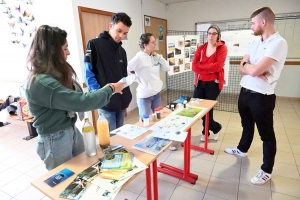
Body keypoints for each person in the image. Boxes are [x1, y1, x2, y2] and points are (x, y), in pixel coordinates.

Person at [25, 25, 125, 170]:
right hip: (54, 138)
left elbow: (77, 97)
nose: (69, 52)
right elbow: (80, 101)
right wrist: (111, 88)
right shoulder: (42, 82)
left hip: (70, 128)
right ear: (52, 50)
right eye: (65, 48)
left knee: (84, 168)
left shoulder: (56, 74)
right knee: (65, 181)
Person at [225, 7, 288, 185]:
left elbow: (252, 69)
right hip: (245, 91)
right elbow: (241, 66)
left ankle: (266, 170)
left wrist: (251, 68)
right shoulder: (255, 42)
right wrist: (253, 68)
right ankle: (242, 149)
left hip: (262, 96)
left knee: (266, 135)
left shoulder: (279, 43)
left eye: (253, 23)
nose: (251, 26)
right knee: (246, 124)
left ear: (263, 22)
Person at [84, 12, 132, 132]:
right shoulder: (94, 44)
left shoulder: (122, 51)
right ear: (111, 26)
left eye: (125, 33)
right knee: (109, 141)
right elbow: (89, 74)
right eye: (119, 30)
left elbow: (123, 76)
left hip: (121, 103)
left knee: (119, 137)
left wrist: (125, 101)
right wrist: (99, 95)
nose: (121, 35)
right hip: (106, 105)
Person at [192, 25, 228, 142]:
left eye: (214, 33)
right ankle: (216, 127)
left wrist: (201, 67)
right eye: (209, 33)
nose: (211, 36)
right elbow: (194, 66)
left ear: (218, 36)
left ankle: (205, 131)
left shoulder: (222, 48)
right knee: (199, 108)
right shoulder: (201, 48)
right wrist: (209, 69)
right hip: (200, 82)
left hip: (213, 84)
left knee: (208, 109)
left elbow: (218, 67)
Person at [127, 33, 170, 119]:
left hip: (156, 93)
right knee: (145, 121)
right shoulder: (139, 57)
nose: (155, 44)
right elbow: (128, 69)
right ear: (145, 45)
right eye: (153, 42)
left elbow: (167, 67)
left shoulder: (154, 56)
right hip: (145, 95)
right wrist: (138, 80)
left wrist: (158, 56)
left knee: (158, 118)